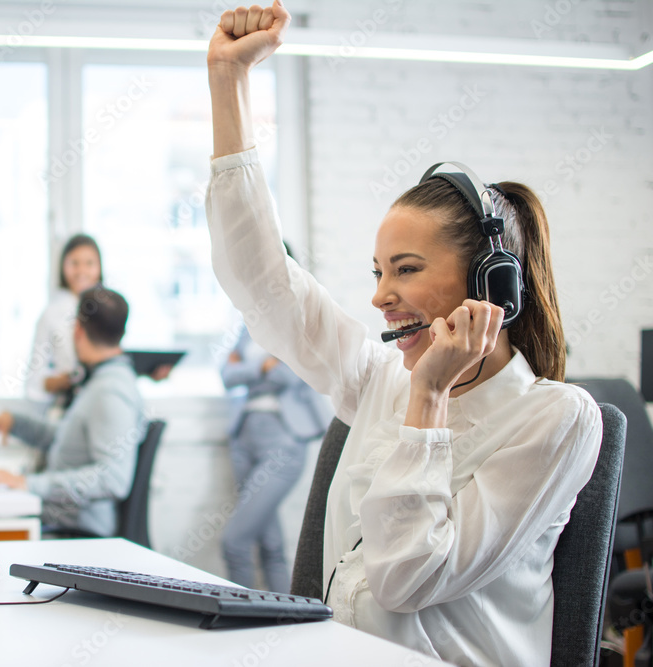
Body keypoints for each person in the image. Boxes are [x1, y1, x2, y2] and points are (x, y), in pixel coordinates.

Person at [204, 3, 602, 666]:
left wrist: (429, 397)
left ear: (488, 285)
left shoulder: (556, 419)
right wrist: (228, 82)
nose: (380, 296)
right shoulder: (380, 379)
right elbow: (264, 283)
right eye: (379, 271)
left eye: (407, 270)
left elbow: (406, 577)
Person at [0, 286, 145, 537]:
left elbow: (113, 479)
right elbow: (66, 440)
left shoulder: (110, 391)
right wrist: (15, 422)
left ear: (77, 331)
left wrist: (27, 484)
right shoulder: (100, 382)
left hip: (77, 533)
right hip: (62, 526)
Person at [221, 319, 332, 594]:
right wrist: (263, 365)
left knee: (234, 541)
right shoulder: (246, 326)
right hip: (243, 435)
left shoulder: (298, 325)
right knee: (270, 543)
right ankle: (284, 621)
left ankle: (237, 618)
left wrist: (245, 368)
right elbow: (226, 376)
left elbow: (288, 376)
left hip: (283, 439)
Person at [24, 234, 104, 416]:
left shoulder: (109, 309)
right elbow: (34, 381)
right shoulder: (51, 314)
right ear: (63, 267)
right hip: (66, 409)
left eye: (89, 263)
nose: (81, 271)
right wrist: (67, 380)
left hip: (102, 405)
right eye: (74, 263)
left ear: (99, 267)